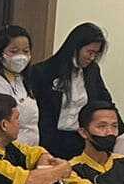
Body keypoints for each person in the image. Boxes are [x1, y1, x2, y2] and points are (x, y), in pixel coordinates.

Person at [26, 22, 115, 159]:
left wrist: (121, 134)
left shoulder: (92, 71)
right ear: (76, 47)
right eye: (90, 52)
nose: (92, 58)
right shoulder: (43, 71)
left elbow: (105, 102)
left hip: (80, 139)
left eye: (96, 54)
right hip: (49, 140)